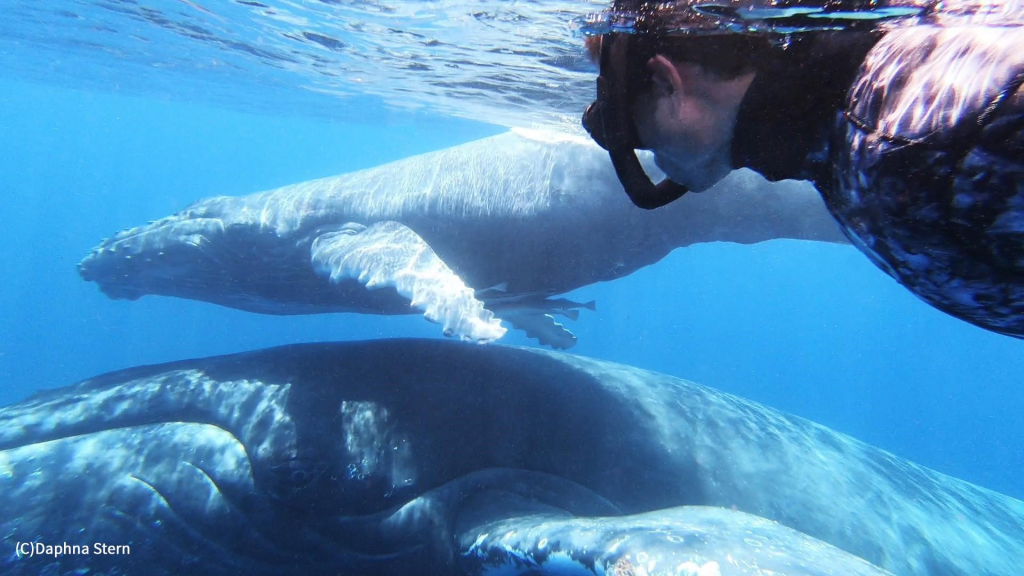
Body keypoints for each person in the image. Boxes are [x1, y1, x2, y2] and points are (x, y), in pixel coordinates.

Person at [578, 0, 1024, 338]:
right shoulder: (850, 139)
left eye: (633, 129)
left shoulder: (906, 139)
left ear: (668, 84)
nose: (652, 157)